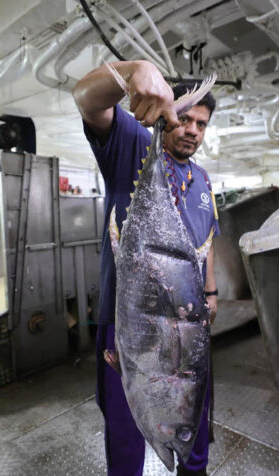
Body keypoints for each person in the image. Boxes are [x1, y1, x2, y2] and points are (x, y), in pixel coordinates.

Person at [73, 60, 219, 476]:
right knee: (126, 429)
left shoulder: (203, 179)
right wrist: (132, 71)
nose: (192, 130)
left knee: (192, 417)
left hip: (189, 326)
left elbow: (207, 242)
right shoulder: (134, 145)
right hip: (131, 322)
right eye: (185, 118)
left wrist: (211, 293)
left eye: (201, 124)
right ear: (167, 113)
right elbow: (86, 99)